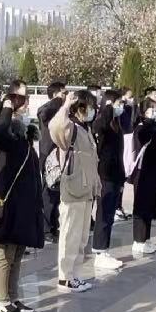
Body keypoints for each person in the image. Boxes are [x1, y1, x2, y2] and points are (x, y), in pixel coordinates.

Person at [0, 94, 42, 312]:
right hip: (7, 204)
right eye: (24, 106)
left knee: (17, 255)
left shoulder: (23, 138)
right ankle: (1, 301)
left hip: (23, 204)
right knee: (4, 255)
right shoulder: (3, 136)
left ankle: (13, 298)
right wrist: (6, 110)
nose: (27, 109)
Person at [49, 91, 101, 292]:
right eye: (90, 107)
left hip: (86, 190)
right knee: (70, 235)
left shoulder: (85, 129)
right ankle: (65, 277)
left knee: (81, 237)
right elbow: (55, 127)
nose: (93, 111)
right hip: (73, 189)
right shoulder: (71, 127)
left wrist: (96, 184)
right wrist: (65, 106)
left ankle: (75, 274)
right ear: (80, 108)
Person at [90, 90, 126, 271]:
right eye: (118, 103)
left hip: (115, 174)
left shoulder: (116, 125)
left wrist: (122, 177)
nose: (121, 107)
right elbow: (99, 127)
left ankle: (104, 250)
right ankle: (99, 251)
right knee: (103, 214)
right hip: (104, 175)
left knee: (110, 214)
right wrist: (109, 109)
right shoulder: (101, 122)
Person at [129, 99, 156, 255]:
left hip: (154, 171)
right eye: (152, 110)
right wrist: (150, 123)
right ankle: (138, 240)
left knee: (150, 205)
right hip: (143, 172)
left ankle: (146, 238)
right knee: (142, 206)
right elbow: (142, 139)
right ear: (144, 112)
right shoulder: (141, 128)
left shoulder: (153, 127)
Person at [37, 81, 66, 243]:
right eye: (63, 93)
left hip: (59, 155)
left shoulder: (61, 110)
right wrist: (58, 100)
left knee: (56, 194)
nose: (65, 96)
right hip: (48, 156)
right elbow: (43, 114)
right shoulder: (47, 109)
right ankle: (46, 228)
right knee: (48, 193)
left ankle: (53, 226)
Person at [115, 87, 135, 222]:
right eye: (128, 96)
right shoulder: (116, 113)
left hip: (126, 143)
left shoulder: (127, 110)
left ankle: (119, 206)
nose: (130, 99)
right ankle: (116, 207)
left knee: (122, 180)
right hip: (122, 144)